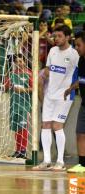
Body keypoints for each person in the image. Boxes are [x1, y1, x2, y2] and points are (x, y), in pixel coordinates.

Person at [33, 25, 79, 171]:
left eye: (59, 36)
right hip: (49, 95)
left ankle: (60, 161)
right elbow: (48, 70)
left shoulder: (74, 54)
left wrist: (72, 88)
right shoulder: (52, 50)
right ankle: (46, 160)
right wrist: (42, 75)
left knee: (57, 126)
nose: (56, 39)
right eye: (54, 36)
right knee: (45, 125)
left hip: (64, 96)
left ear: (67, 37)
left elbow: (79, 75)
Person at [5, 54, 32, 159]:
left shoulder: (29, 74)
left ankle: (23, 150)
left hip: (24, 105)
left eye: (21, 61)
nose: (20, 63)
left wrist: (23, 90)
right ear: (14, 63)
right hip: (14, 104)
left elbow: (33, 88)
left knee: (23, 127)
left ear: (24, 62)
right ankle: (18, 150)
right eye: (17, 61)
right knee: (17, 128)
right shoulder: (11, 74)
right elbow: (6, 88)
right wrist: (7, 81)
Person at [66, 31, 85, 173]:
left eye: (78, 45)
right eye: (75, 45)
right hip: (84, 104)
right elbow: (81, 80)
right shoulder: (81, 60)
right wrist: (71, 88)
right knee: (80, 133)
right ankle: (82, 164)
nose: (76, 48)